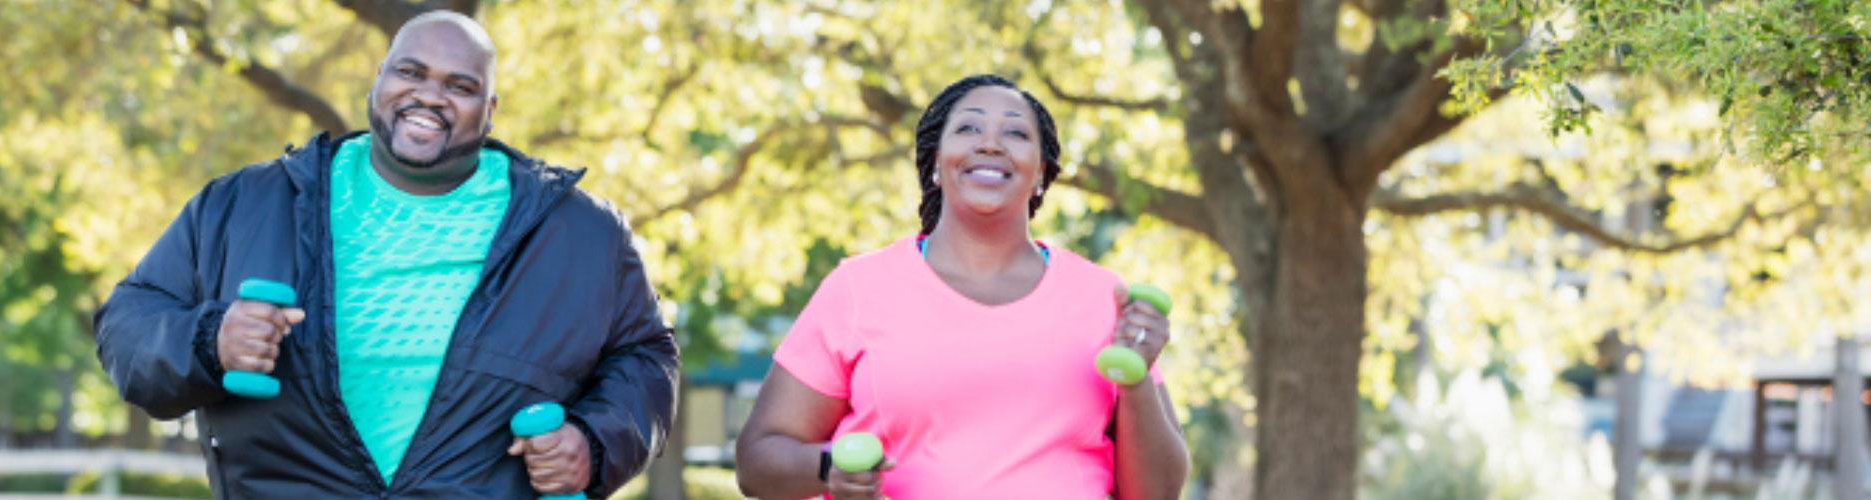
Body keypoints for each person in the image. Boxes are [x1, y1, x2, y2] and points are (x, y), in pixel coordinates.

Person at [93, 11, 677, 498]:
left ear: (490, 109)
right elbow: (127, 321)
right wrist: (211, 340)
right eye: (411, 72)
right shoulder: (243, 204)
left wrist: (594, 443)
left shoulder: (580, 233)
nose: (430, 95)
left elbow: (647, 357)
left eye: (460, 86)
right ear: (378, 79)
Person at [733, 74, 1189, 499]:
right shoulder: (858, 289)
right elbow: (757, 462)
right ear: (935, 163)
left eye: (1016, 133)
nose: (990, 144)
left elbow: (1158, 491)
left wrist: (1135, 383)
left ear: (1041, 174)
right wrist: (829, 466)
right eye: (968, 129)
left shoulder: (1102, 297)